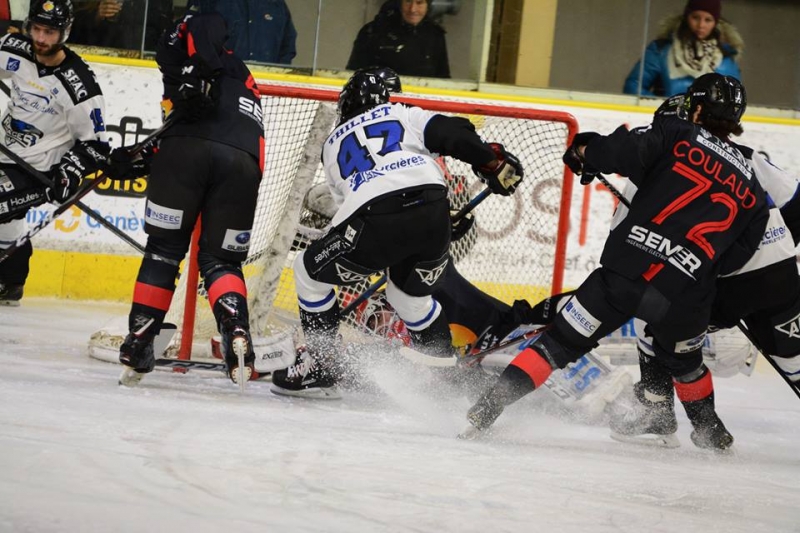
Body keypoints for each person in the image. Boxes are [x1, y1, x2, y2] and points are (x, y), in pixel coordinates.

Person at [462, 74, 770, 452]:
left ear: (699, 109)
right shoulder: (753, 182)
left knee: (556, 344)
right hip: (684, 294)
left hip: (625, 275)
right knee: (686, 363)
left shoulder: (676, 133)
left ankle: (486, 409)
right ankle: (711, 433)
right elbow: (741, 252)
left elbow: (616, 152)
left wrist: (583, 153)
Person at [270, 69, 523, 399]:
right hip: (433, 211)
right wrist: (490, 163)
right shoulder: (402, 112)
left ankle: (323, 366)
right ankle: (444, 378)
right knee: (409, 299)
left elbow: (353, 205)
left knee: (308, 272)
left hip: (373, 220)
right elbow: (454, 132)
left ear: (346, 105)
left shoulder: (332, 144)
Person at [610, 85, 800, 446]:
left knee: (656, 322)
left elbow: (632, 255)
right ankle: (700, 424)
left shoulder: (655, 171)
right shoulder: (746, 156)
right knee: (794, 359)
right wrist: (776, 245)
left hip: (732, 283)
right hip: (782, 272)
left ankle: (661, 413)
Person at [112, 7, 264, 387]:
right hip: (242, 166)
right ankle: (235, 330)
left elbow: (207, 22)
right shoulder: (243, 80)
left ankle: (140, 339)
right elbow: (183, 125)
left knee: (163, 250)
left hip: (186, 156)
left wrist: (200, 71)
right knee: (221, 260)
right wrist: (136, 159)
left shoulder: (191, 44)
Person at [0, 0, 110, 305]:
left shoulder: (80, 85)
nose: (41, 38)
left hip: (38, 171)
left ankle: (9, 279)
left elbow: (97, 145)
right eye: (36, 28)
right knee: (5, 213)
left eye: (50, 31)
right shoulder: (15, 48)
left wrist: (69, 170)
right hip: (5, 154)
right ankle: (10, 281)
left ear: (65, 32)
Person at [623, 0, 743, 97]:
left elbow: (733, 98)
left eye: (708, 20)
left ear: (715, 23)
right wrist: (662, 108)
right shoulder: (662, 50)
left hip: (704, 124)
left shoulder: (725, 58)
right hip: (666, 122)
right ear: (687, 17)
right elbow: (634, 85)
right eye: (695, 17)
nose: (701, 25)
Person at [346, 0, 450, 79]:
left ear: (428, 6)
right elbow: (353, 75)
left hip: (421, 101)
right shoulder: (373, 31)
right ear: (399, 3)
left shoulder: (435, 35)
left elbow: (443, 78)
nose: (413, 9)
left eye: (419, 3)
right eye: (408, 1)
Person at [185, 0, 296, 64]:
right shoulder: (211, 2)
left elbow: (288, 45)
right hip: (222, 82)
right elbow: (193, 35)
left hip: (267, 83)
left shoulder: (277, 5)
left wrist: (277, 73)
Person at [70, 0, 173, 52]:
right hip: (101, 56)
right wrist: (97, 15)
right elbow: (72, 26)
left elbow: (165, 30)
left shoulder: (159, 3)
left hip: (143, 61)